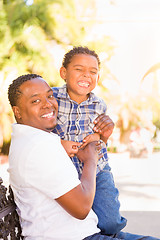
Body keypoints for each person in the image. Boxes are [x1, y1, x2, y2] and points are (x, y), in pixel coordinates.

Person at [7, 74, 159, 240]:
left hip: (84, 233)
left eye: (50, 96)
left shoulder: (32, 139)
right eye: (35, 101)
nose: (48, 104)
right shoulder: (39, 146)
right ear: (17, 111)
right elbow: (81, 208)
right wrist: (90, 160)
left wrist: (101, 140)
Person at [52, 46, 126, 234]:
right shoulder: (52, 98)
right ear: (64, 73)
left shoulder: (99, 105)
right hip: (65, 172)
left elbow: (100, 140)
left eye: (93, 72)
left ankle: (114, 234)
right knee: (77, 222)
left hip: (97, 170)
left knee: (110, 223)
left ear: (98, 78)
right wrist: (59, 144)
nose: (86, 75)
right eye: (79, 69)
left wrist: (102, 137)